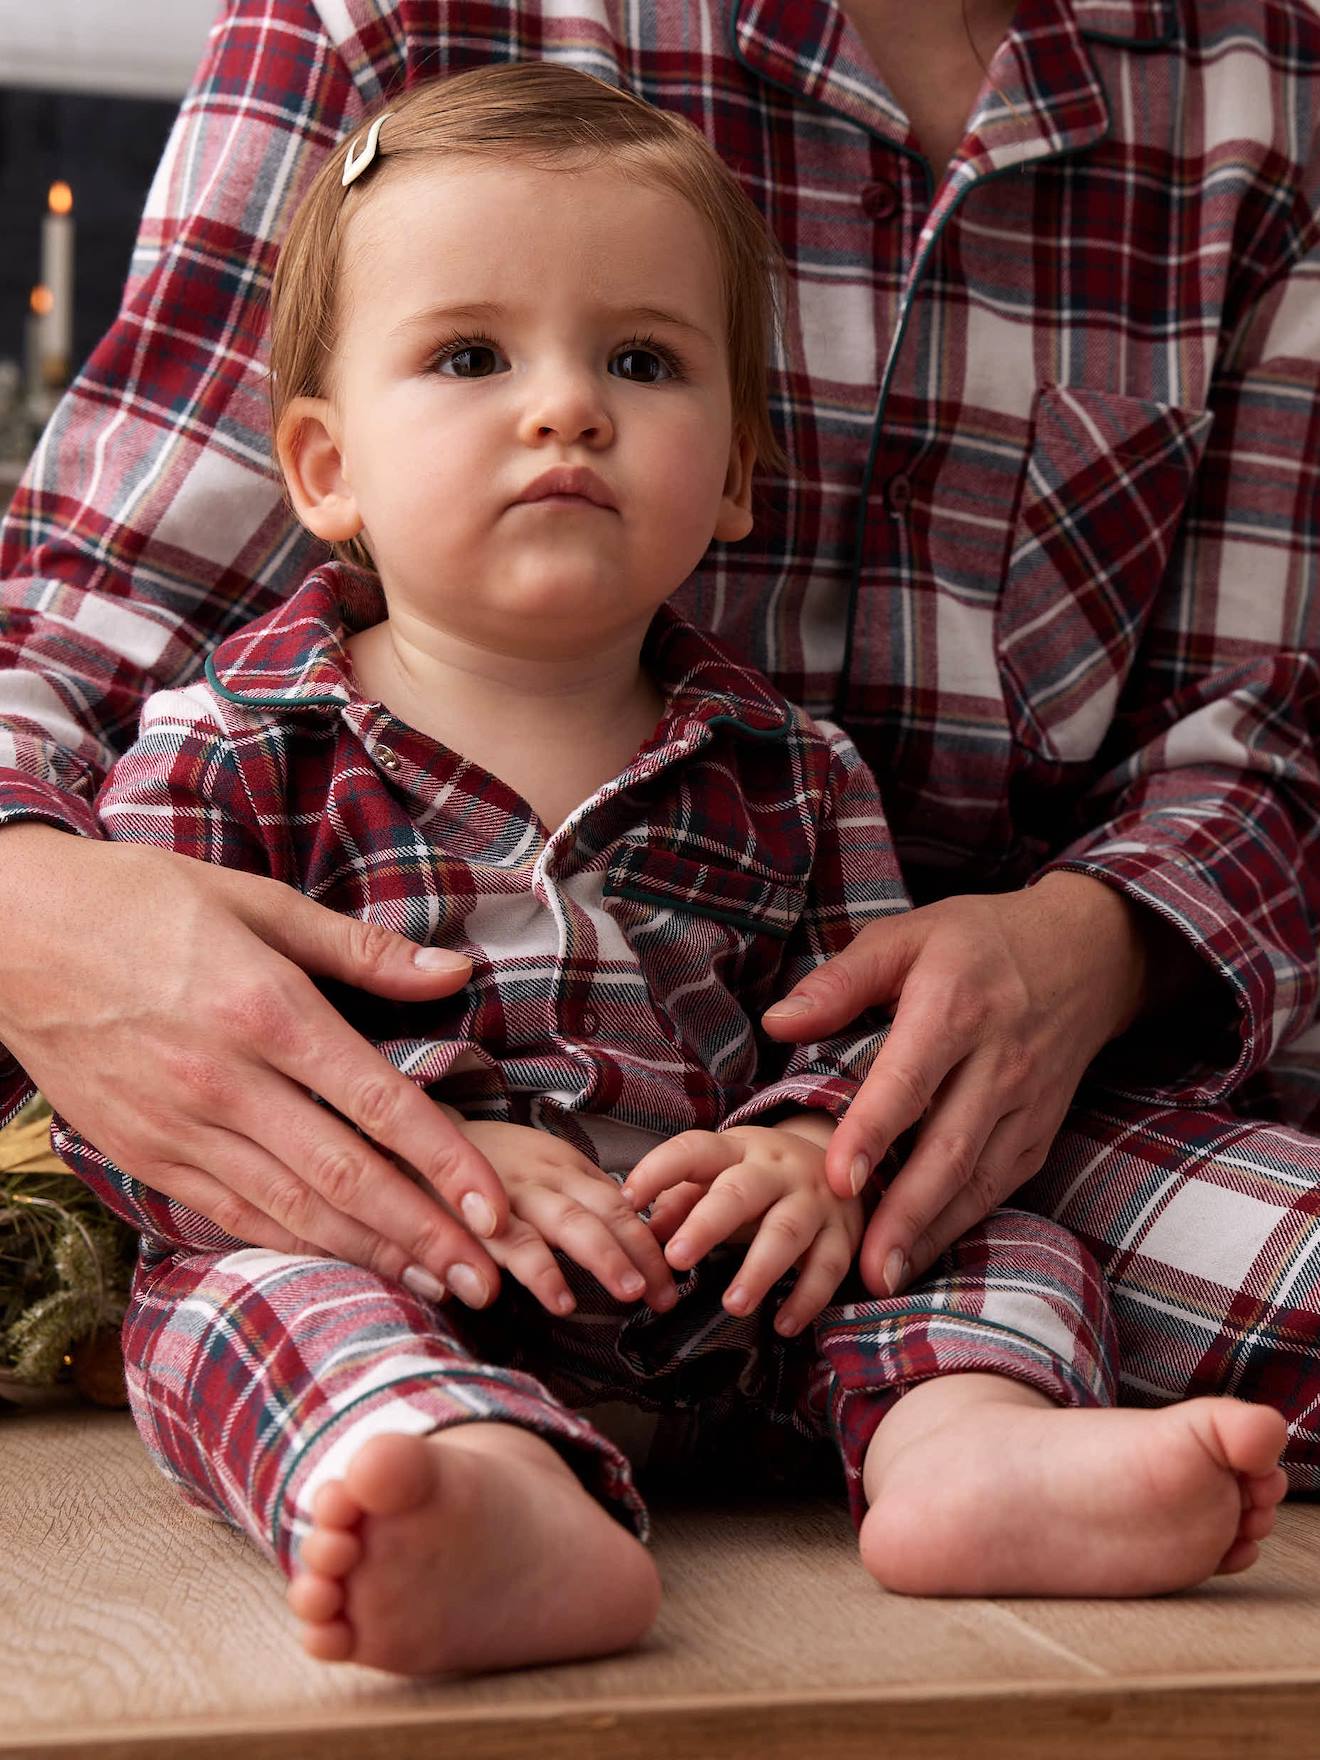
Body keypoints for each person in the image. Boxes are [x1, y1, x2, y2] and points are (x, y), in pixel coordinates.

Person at [1, 0, 1318, 1542]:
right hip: (411, 1234)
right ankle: (472, 1494)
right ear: (323, 466)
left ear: (741, 471)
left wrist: (817, 1147)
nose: (566, 407)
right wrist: (421, 1147)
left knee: (984, 1251)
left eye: (638, 359)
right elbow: (146, 1050)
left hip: (804, 1221)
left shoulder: (790, 767)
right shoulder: (235, 743)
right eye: (471, 357)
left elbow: (874, 977)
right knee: (248, 1298)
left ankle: (963, 1455)